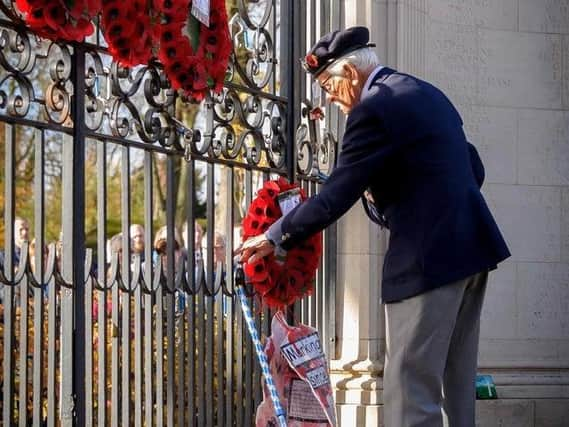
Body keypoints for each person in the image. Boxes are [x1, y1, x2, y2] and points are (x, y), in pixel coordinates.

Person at [239, 26, 511, 427]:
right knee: (457, 382)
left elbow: (335, 195)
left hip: (427, 261)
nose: (329, 99)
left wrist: (274, 235)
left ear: (349, 75)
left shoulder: (372, 110)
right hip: (472, 250)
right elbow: (473, 167)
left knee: (410, 389)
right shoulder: (425, 93)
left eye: (328, 87)